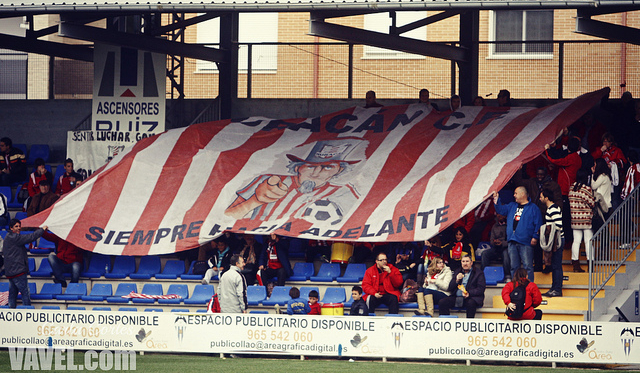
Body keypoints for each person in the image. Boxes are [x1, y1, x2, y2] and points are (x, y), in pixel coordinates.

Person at [225, 138, 364, 224]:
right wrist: (255, 200)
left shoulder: (344, 192)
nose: (316, 173)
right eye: (310, 166)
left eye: (327, 167)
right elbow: (226, 217)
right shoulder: (267, 181)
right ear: (297, 167)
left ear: (339, 170)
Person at [493, 187, 543, 282]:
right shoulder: (512, 205)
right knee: (514, 267)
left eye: (516, 193)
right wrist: (496, 199)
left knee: (527, 266)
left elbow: (538, 224)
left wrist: (535, 237)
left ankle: (529, 288)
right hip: (512, 241)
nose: (514, 195)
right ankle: (516, 288)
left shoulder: (533, 208)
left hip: (526, 242)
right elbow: (501, 210)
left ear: (522, 194)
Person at [3, 219, 47, 308]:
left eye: (19, 226)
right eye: (16, 226)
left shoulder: (8, 237)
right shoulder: (14, 238)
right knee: (25, 292)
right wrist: (42, 230)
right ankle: (27, 311)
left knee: (12, 293)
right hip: (17, 270)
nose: (19, 228)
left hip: (11, 271)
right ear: (11, 228)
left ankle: (11, 312)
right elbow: (30, 237)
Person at [569, 169, 596, 272]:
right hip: (586, 220)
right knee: (588, 241)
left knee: (576, 241)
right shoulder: (586, 189)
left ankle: (575, 265)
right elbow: (592, 203)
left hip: (575, 220)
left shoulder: (572, 188)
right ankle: (590, 264)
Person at [539, 188, 564, 297]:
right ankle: (554, 288)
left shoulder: (552, 209)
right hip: (556, 240)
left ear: (546, 198)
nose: (540, 199)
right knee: (555, 265)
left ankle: (557, 289)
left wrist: (546, 228)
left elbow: (558, 225)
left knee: (556, 265)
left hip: (557, 240)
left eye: (541, 197)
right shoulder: (552, 208)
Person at [480, 214, 510, 281]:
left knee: (506, 254)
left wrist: (502, 243)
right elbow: (491, 240)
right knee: (485, 254)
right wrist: (495, 242)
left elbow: (510, 240)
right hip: (495, 248)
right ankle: (482, 275)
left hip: (505, 248)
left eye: (501, 215)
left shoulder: (509, 226)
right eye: (498, 215)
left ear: (505, 216)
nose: (499, 216)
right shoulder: (494, 226)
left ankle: (507, 275)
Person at [591, 158, 613, 231]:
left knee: (601, 228)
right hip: (606, 204)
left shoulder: (602, 176)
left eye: (595, 164)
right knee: (603, 228)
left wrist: (593, 174)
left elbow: (593, 186)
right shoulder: (606, 176)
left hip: (603, 205)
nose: (594, 166)